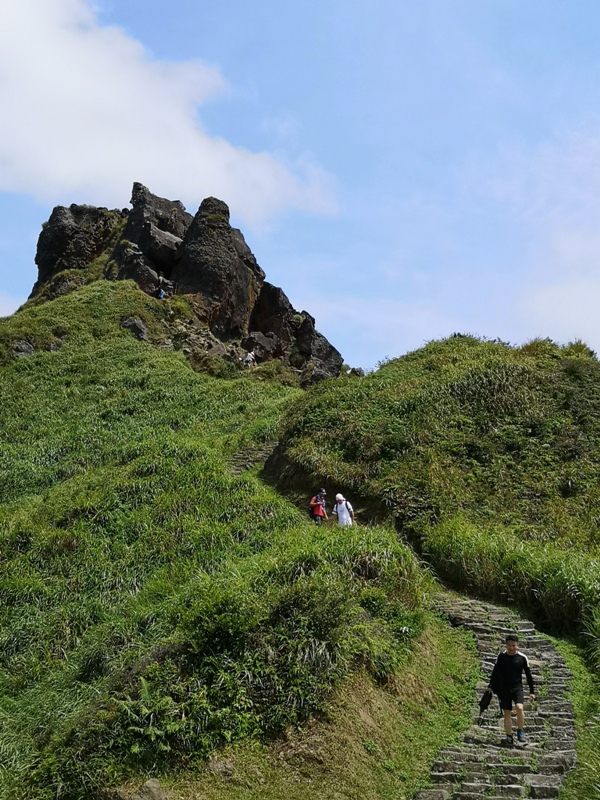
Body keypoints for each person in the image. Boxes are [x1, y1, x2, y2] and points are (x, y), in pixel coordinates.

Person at [488, 633, 535, 745]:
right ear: (506, 645)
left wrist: (532, 692)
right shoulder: (501, 656)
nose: (511, 648)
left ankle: (520, 730)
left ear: (517, 645)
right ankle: (509, 736)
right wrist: (490, 686)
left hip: (517, 688)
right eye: (509, 645)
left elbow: (528, 675)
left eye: (514, 645)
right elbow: (495, 672)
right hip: (504, 689)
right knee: (507, 712)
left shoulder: (522, 658)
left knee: (519, 707)